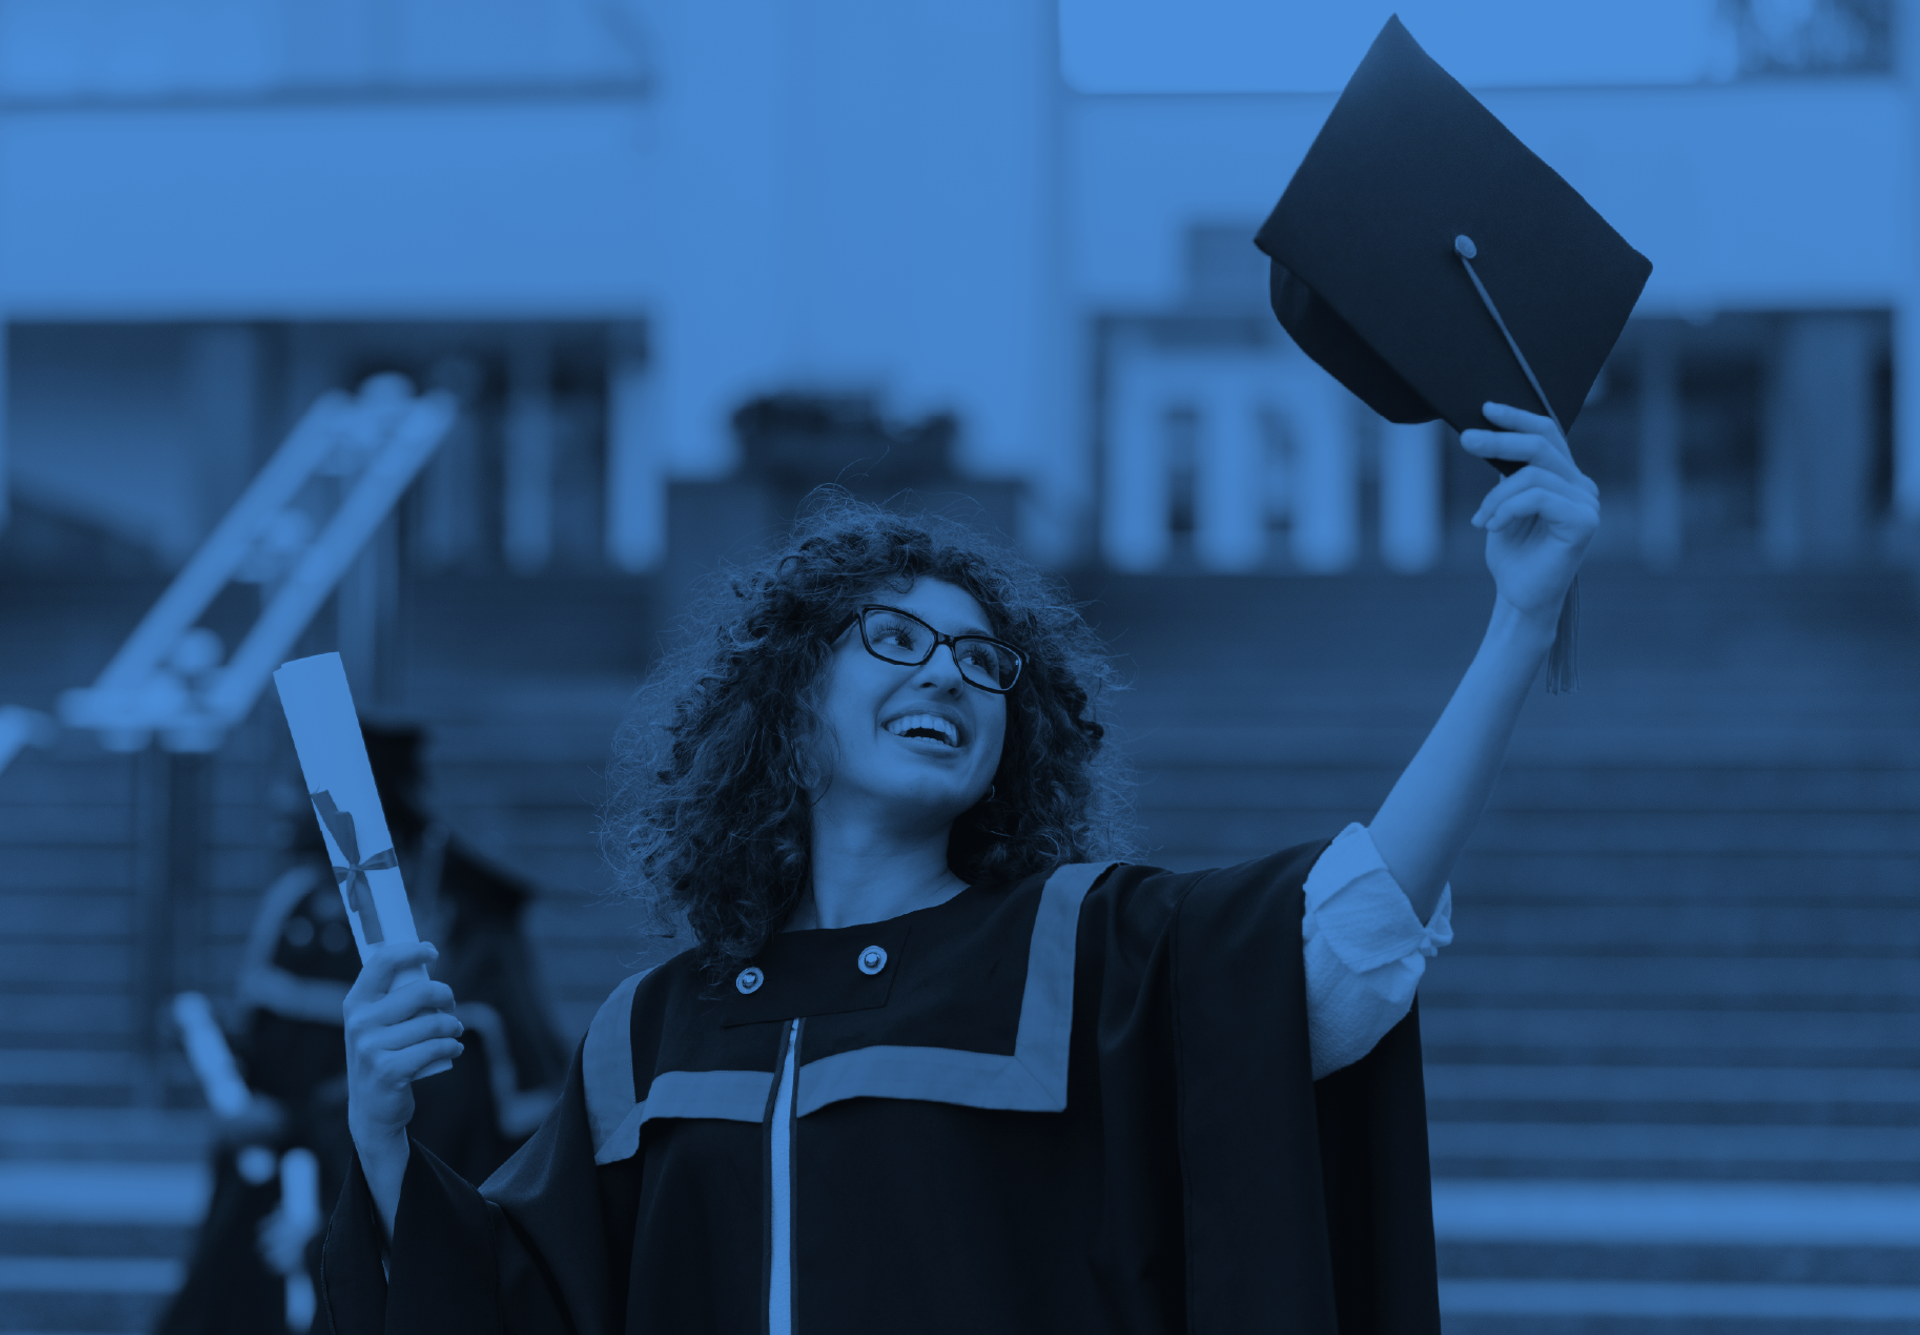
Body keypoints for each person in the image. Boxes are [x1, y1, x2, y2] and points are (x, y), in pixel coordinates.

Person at [319, 416, 1594, 1333]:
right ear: (789, 700)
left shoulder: (1077, 953)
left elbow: (1348, 938)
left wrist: (1517, 625)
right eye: (895, 639)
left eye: (984, 663)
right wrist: (383, 1128)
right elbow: (509, 1298)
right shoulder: (654, 1035)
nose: (946, 673)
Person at [156, 724, 568, 1335]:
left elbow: (454, 1082)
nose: (276, 800)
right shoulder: (294, 901)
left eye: (296, 785)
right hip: (270, 1173)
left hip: (380, 1182)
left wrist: (303, 1136)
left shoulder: (445, 916)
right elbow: (270, 1039)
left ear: (355, 802)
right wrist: (215, 1047)